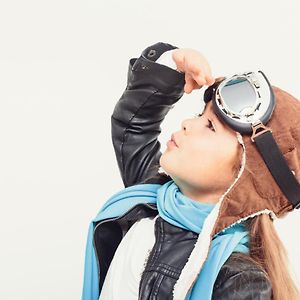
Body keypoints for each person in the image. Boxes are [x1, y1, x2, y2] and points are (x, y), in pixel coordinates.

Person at [82, 42, 300, 300]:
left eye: (209, 126)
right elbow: (133, 127)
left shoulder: (237, 281)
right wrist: (170, 67)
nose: (187, 123)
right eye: (199, 114)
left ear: (244, 176)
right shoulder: (154, 201)